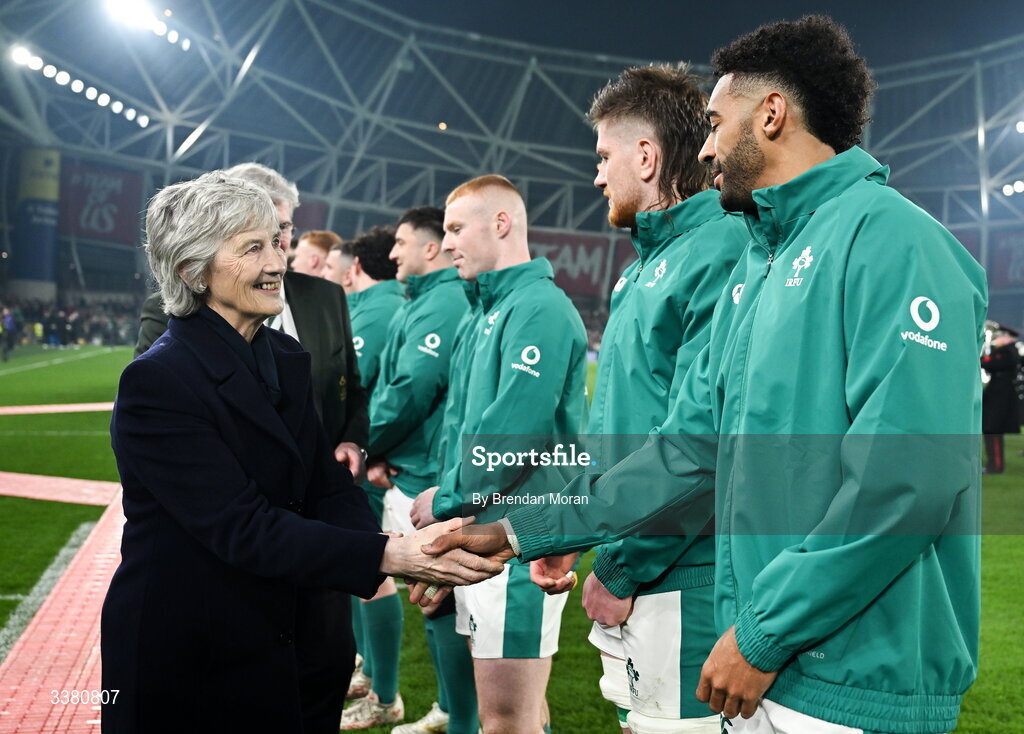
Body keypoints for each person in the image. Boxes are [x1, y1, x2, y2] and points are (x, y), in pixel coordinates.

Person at [424, 16, 986, 734]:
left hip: (857, 676)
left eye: (717, 123)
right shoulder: (760, 262)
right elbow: (689, 450)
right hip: (762, 653)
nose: (709, 146)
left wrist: (764, 633)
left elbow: (908, 481)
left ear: (773, 114)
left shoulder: (897, 240)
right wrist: (517, 530)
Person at [101, 172, 503, 734]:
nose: (277, 262)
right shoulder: (156, 383)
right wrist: (391, 555)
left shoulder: (284, 355)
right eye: (253, 248)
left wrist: (406, 549)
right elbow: (243, 528)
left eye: (275, 241)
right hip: (198, 658)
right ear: (193, 271)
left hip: (300, 648)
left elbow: (325, 487)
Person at [556, 64, 747, 734]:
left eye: (605, 156)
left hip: (686, 570)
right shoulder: (641, 268)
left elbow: (702, 443)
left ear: (647, 155)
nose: (598, 174)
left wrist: (621, 564)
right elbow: (620, 428)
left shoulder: (723, 247)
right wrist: (577, 532)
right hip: (640, 560)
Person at [416, 175, 589, 734]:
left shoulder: (537, 307)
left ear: (501, 224)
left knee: (507, 721)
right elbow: (463, 431)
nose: (447, 243)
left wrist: (443, 500)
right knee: (517, 717)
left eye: (456, 228)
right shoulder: (484, 311)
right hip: (486, 529)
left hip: (521, 537)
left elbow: (510, 436)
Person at [341, 206, 469, 730]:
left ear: (430, 247)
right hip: (412, 471)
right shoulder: (425, 300)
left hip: (429, 479)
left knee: (453, 611)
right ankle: (453, 711)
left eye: (402, 242)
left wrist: (364, 448)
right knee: (439, 607)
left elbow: (411, 390)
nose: (393, 253)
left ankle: (457, 713)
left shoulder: (440, 303)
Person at [981, 321, 1021, 473]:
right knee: (991, 430)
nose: (997, 338)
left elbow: (987, 364)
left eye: (1001, 335)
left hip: (1001, 397)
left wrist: (988, 350)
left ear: (1007, 338)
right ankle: (993, 464)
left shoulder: (1008, 352)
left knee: (994, 430)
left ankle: (996, 466)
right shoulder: (1005, 351)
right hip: (997, 394)